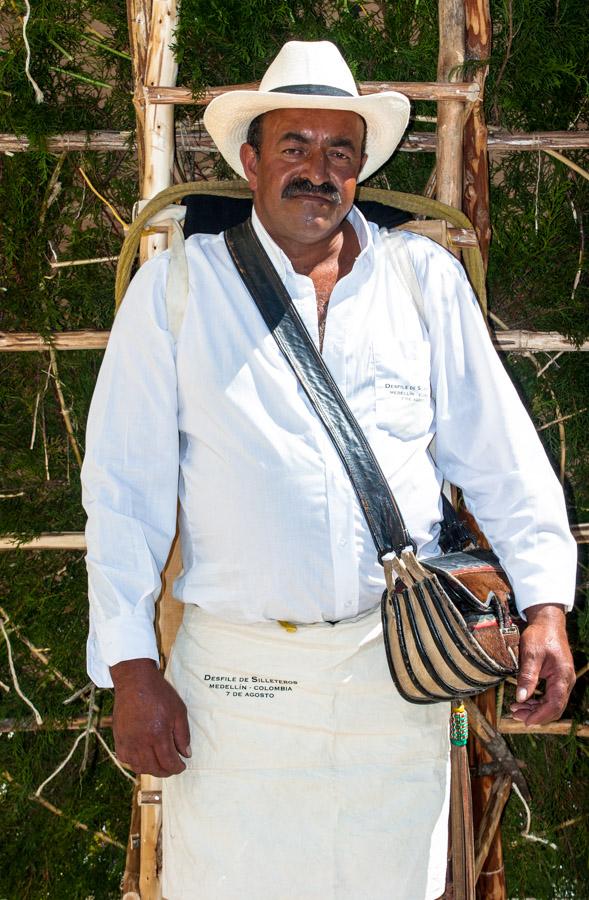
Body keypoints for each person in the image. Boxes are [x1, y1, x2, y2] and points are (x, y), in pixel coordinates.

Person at [82, 41, 576, 899]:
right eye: (294, 146)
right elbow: (123, 495)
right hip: (235, 682)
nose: (318, 169)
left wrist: (545, 605)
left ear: (361, 167)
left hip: (393, 671)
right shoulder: (176, 291)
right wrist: (131, 668)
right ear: (250, 161)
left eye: (339, 151)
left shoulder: (422, 281)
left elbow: (500, 457)